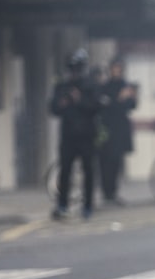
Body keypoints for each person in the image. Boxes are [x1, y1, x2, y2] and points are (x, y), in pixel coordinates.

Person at [49, 48, 100, 220]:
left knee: (88, 171)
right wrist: (63, 102)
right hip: (68, 136)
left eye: (77, 69)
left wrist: (79, 100)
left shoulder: (90, 86)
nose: (74, 72)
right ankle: (62, 205)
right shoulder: (62, 86)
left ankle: (88, 206)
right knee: (65, 171)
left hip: (86, 136)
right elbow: (53, 108)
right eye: (72, 69)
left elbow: (96, 107)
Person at [97, 57, 138, 205]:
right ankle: (106, 191)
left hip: (120, 130)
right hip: (107, 129)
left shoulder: (126, 85)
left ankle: (113, 192)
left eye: (119, 68)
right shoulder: (105, 87)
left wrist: (129, 97)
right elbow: (105, 106)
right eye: (114, 67)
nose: (117, 70)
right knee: (104, 161)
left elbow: (132, 105)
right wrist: (119, 99)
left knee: (116, 161)